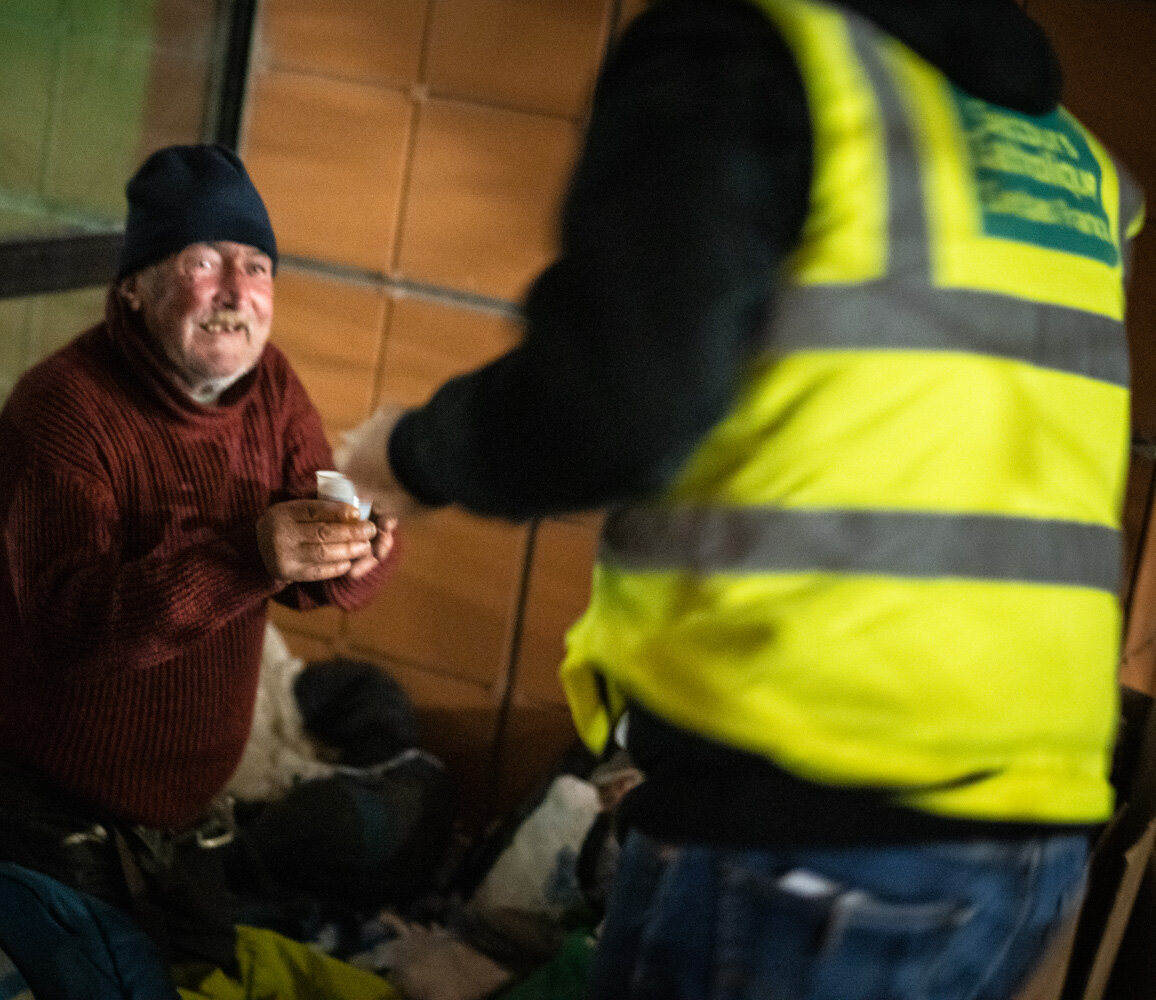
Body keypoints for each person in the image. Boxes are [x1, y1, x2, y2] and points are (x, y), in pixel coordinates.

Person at [338, 0, 1145, 997]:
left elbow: (615, 396)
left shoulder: (750, 52)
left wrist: (409, 455)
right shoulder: (1067, 158)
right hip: (1028, 835)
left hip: (813, 831)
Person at [0, 143, 398, 971]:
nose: (233, 292)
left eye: (256, 266)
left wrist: (354, 552)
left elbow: (313, 553)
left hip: (181, 823)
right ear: (135, 290)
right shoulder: (64, 414)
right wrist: (251, 554)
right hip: (40, 816)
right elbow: (74, 631)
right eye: (202, 260)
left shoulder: (275, 388)